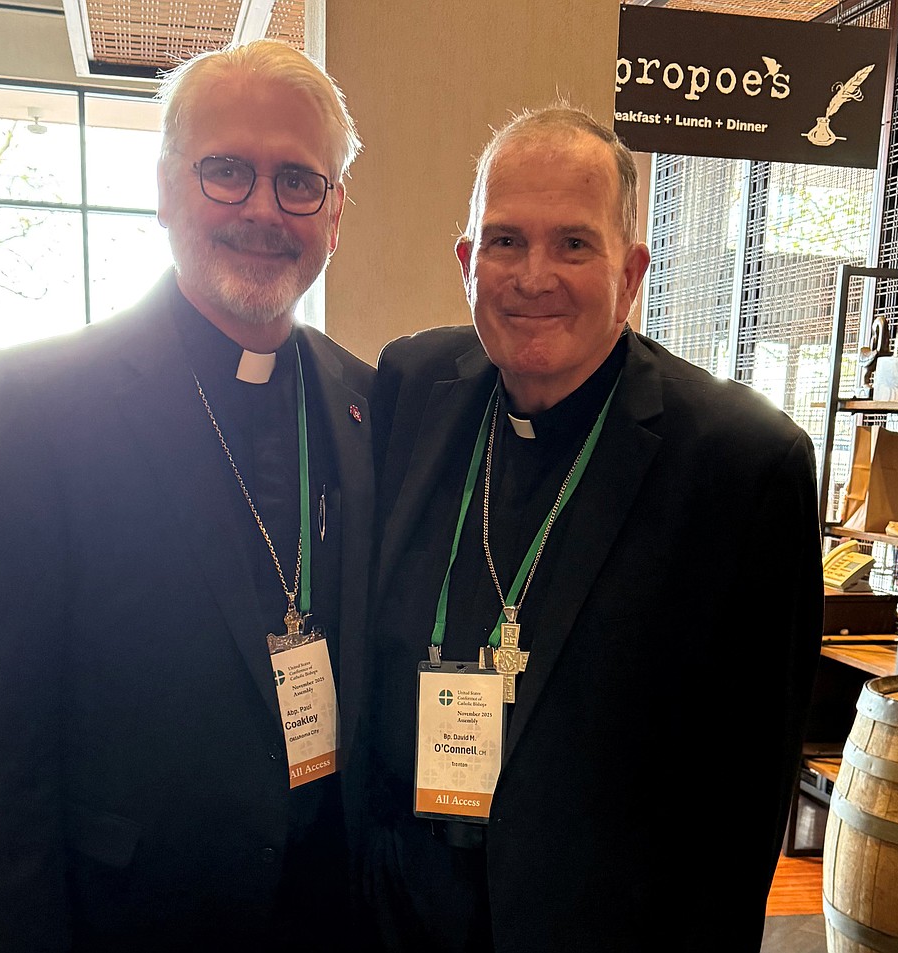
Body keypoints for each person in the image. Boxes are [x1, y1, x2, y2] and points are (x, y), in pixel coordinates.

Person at [364, 106, 823, 952]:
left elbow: (743, 801)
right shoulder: (412, 383)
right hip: (398, 914)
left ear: (632, 270)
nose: (533, 276)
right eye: (504, 241)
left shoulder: (743, 465)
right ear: (466, 262)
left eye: (574, 243)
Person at [0, 40, 373, 953]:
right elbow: (4, 739)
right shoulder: (49, 406)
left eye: (300, 182)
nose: (264, 208)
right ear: (165, 188)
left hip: (328, 914)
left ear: (334, 215)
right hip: (133, 917)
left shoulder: (362, 398)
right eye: (227, 172)